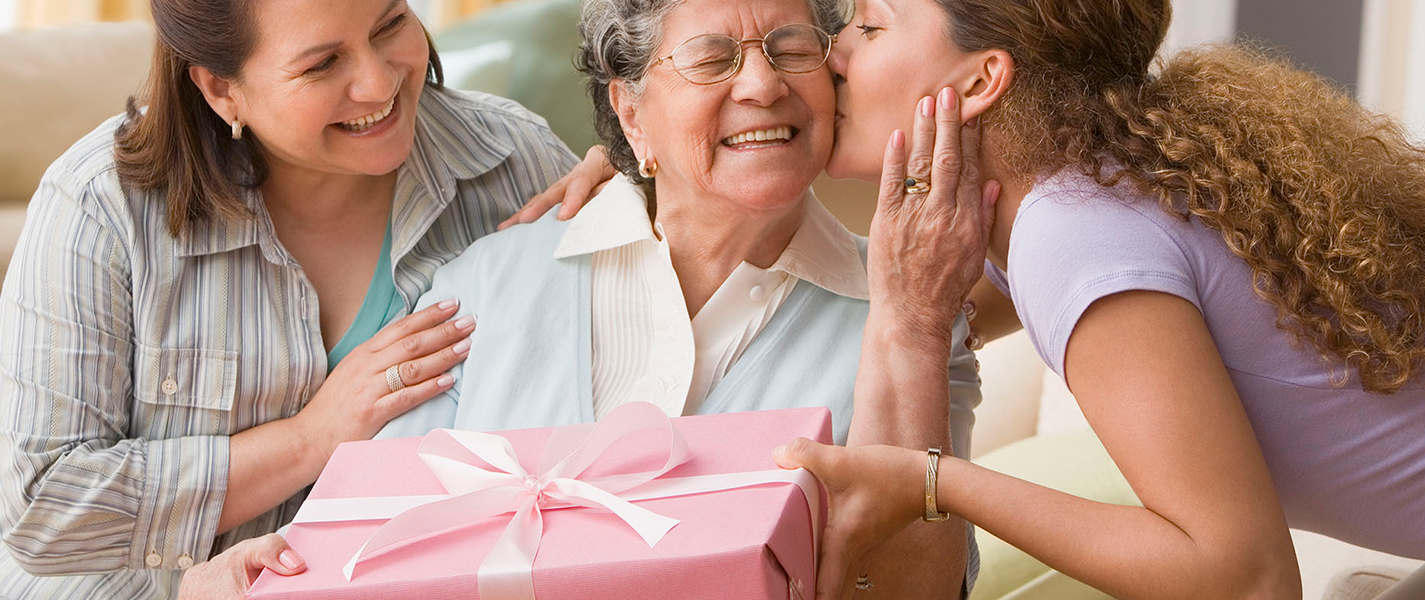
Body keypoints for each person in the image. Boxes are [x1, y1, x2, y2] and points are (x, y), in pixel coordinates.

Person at [527, 1, 1425, 599]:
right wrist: (645, 146)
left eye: (870, 26)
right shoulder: (1063, 199)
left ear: (980, 80)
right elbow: (899, 300)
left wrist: (935, 482)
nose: (833, 55)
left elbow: (1248, 579)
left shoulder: (1070, 231)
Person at [176, 0, 984, 598]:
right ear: (630, 113)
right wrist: (247, 575)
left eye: (792, 48)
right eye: (710, 58)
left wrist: (911, 326)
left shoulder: (911, 312)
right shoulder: (481, 288)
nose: (764, 84)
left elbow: (918, 591)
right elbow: (366, 552)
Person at [0, 0, 579, 597]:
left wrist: (646, 200)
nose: (380, 81)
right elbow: (43, 509)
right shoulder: (101, 207)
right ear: (223, 90)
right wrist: (311, 437)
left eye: (389, 25)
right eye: (322, 63)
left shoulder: (512, 160)